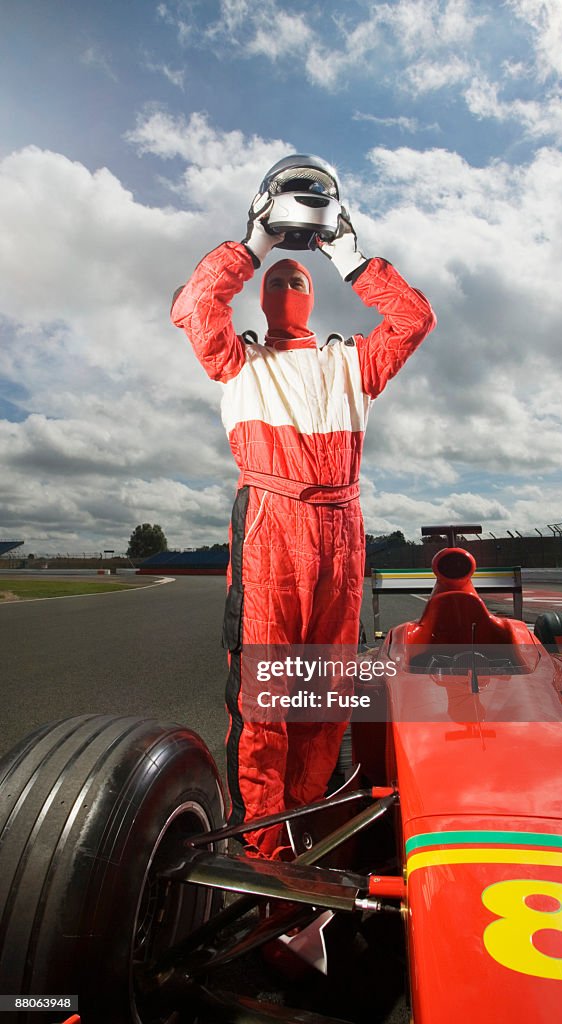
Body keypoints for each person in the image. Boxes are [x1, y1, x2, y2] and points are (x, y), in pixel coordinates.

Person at [171, 190, 435, 856]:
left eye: (299, 279)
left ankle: (309, 822)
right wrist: (254, 245)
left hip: (343, 526)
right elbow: (195, 307)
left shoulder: (353, 362)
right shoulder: (238, 361)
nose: (288, 285)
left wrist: (349, 256)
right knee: (266, 689)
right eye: (277, 279)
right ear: (261, 297)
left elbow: (413, 319)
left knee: (328, 688)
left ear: (315, 296)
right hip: (272, 521)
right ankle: (262, 843)